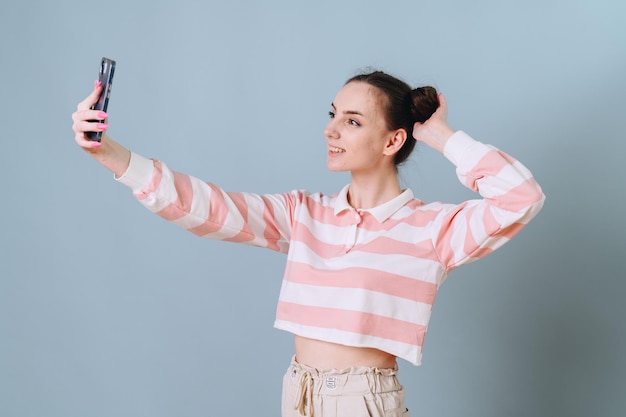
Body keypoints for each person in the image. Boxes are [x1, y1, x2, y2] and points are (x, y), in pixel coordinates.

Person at [72, 70, 545, 417]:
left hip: (363, 401)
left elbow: (520, 197)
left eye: (353, 121)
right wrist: (107, 151)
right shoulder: (306, 214)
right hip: (298, 391)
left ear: (393, 140)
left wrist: (441, 136)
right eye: (333, 115)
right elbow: (208, 208)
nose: (331, 129)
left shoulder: (432, 229)